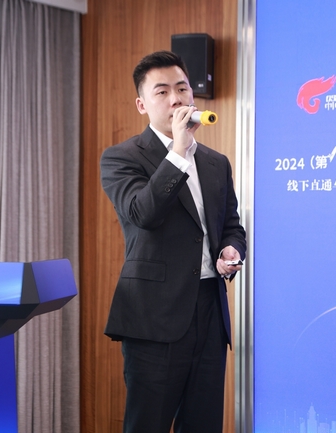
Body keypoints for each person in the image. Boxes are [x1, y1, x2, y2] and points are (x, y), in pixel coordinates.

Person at [100, 50, 247, 433]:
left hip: (209, 312)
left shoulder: (215, 162)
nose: (176, 99)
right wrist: (179, 150)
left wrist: (231, 250)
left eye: (182, 88)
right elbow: (144, 213)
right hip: (154, 317)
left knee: (203, 424)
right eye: (162, 91)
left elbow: (231, 225)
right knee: (147, 424)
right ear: (142, 104)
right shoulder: (121, 157)